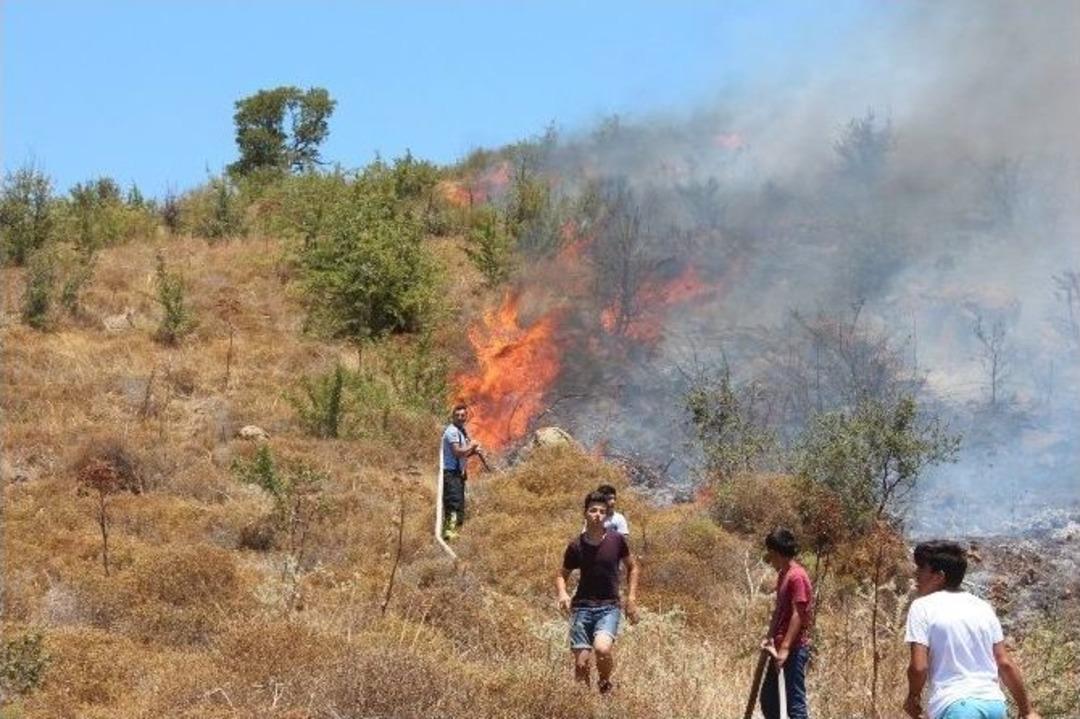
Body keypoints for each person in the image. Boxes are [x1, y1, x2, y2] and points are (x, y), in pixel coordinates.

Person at [903, 540, 1040, 719]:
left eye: (921, 569)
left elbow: (919, 667)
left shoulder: (922, 607)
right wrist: (1027, 710)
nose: (916, 576)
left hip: (957, 706)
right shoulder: (983, 607)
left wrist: (913, 697)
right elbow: (1004, 663)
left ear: (939, 576)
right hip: (994, 706)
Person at [556, 491, 640, 694]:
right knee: (581, 664)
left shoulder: (616, 540)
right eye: (593, 510)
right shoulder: (576, 545)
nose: (597, 515)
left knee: (602, 649)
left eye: (602, 511)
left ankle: (604, 685)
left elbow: (633, 567)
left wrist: (631, 598)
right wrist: (562, 594)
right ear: (585, 514)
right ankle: (584, 706)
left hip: (608, 606)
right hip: (582, 608)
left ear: (607, 516)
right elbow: (561, 574)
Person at [760, 527, 813, 719]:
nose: (769, 559)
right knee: (769, 700)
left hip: (794, 649)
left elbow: (799, 613)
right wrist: (769, 637)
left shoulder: (797, 576)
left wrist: (785, 649)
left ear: (775, 552)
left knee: (794, 707)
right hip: (778, 646)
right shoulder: (784, 574)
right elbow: (779, 611)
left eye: (770, 554)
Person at [441, 404, 481, 540]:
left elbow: (461, 455)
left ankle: (455, 535)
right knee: (453, 505)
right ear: (453, 416)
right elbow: (457, 452)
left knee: (458, 506)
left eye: (462, 415)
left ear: (466, 417)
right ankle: (449, 536)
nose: (460, 417)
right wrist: (472, 445)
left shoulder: (461, 431)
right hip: (451, 474)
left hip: (458, 474)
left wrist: (472, 452)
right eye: (457, 415)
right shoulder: (452, 431)